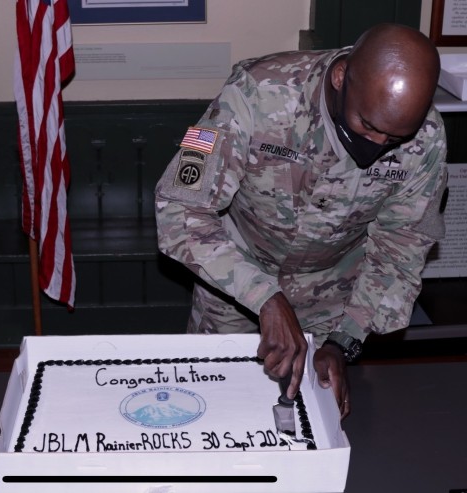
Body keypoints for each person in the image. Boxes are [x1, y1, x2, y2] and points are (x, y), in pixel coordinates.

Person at [155, 23, 448, 419]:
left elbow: (402, 247)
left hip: (333, 300)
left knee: (313, 429)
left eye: (394, 139)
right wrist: (265, 296)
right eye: (369, 126)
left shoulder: (425, 137)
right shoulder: (256, 92)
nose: (377, 148)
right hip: (233, 285)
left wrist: (344, 342)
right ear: (343, 77)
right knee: (210, 412)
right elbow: (179, 209)